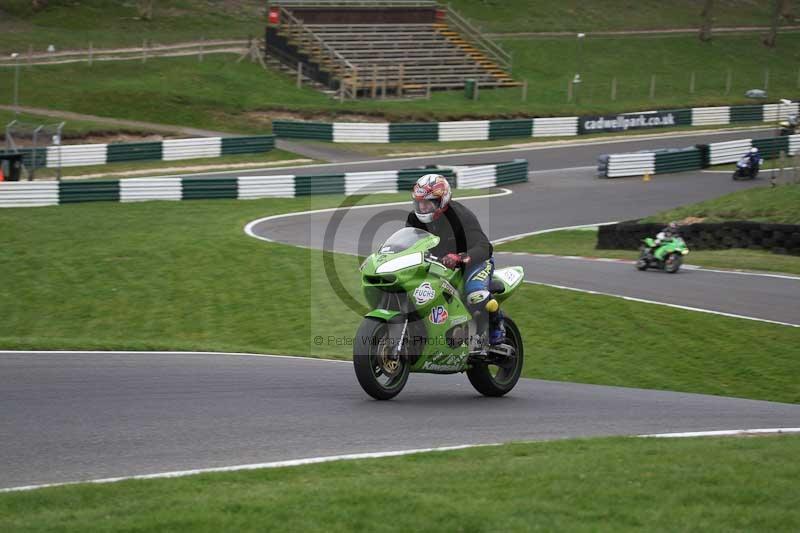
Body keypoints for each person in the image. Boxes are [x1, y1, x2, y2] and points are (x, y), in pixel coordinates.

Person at [405, 174, 505, 346]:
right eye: (419, 202)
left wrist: (459, 257)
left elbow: (484, 247)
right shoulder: (414, 219)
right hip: (437, 264)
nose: (422, 207)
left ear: (441, 201)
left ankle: (497, 325)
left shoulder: (460, 216)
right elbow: (408, 244)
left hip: (473, 263)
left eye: (427, 202)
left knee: (475, 295)